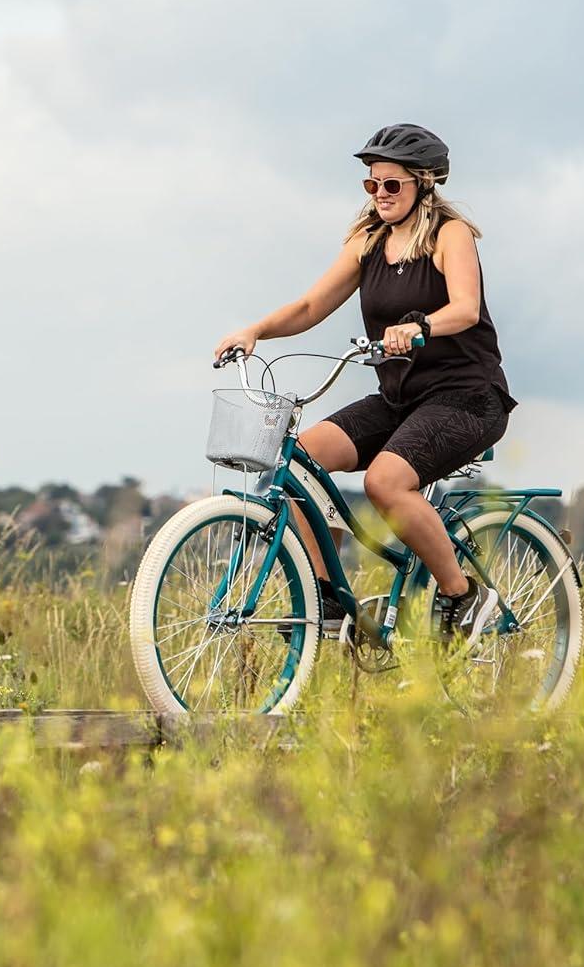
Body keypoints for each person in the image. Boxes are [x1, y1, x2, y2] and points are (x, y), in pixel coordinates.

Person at [212, 123, 517, 642]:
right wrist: (256, 330)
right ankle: (327, 596)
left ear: (423, 182)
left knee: (385, 483)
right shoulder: (367, 242)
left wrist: (421, 326)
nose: (380, 194)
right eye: (371, 184)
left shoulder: (449, 234)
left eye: (392, 184)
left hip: (467, 399)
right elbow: (310, 306)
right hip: (398, 399)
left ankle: (464, 594)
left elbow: (465, 309)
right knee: (300, 461)